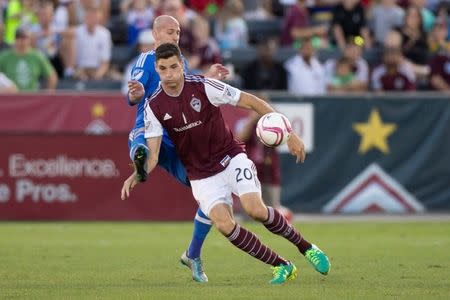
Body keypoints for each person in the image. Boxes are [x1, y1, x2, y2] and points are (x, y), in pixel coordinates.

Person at [121, 43, 331, 284]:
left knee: (255, 210)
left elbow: (252, 102)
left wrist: (290, 133)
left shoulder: (204, 86)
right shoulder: (153, 107)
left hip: (229, 157)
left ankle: (307, 248)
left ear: (182, 65)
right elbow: (155, 155)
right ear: (157, 70)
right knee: (224, 224)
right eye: (163, 69)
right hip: (200, 174)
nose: (169, 74)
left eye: (173, 67)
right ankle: (281, 265)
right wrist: (138, 174)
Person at [125, 15, 229, 283]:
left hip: (177, 137)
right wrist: (135, 95)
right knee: (141, 141)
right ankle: (141, 159)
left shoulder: (179, 62)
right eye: (170, 32)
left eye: (178, 32)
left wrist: (207, 78)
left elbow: (189, 90)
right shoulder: (147, 60)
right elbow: (133, 93)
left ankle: (192, 254)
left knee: (213, 193)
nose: (175, 36)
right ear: (155, 34)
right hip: (150, 129)